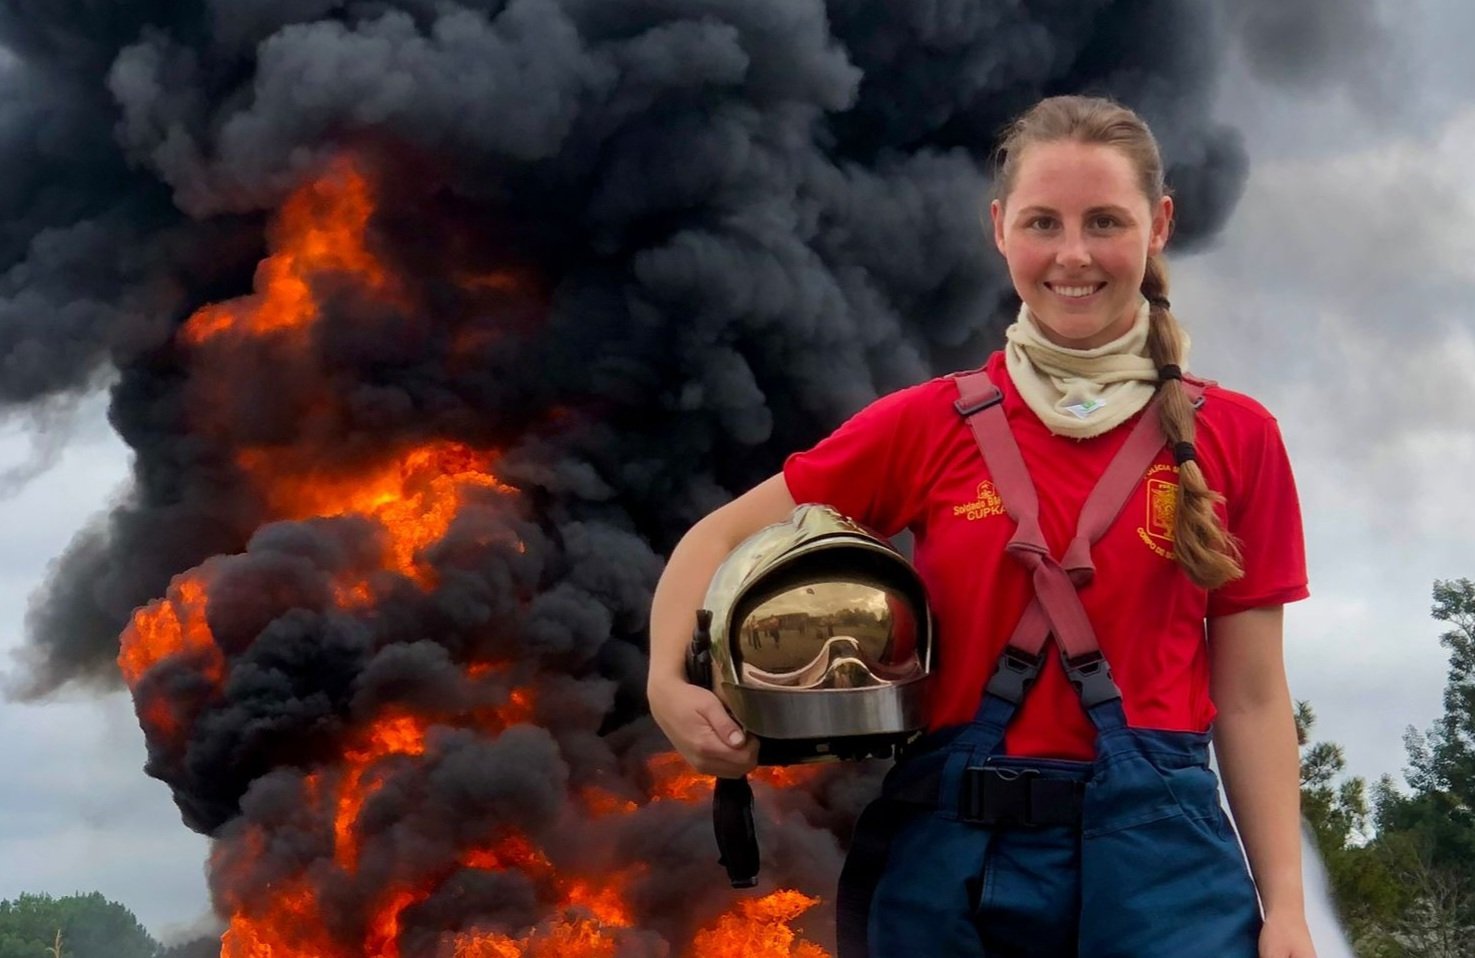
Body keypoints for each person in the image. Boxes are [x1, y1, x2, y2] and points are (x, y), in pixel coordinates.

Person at [647, 95, 1317, 958]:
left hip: (1163, 874)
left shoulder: (1237, 436)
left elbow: (1254, 696)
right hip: (952, 864)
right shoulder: (926, 424)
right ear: (1000, 228)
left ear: (1158, 226)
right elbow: (714, 540)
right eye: (1044, 222)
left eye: (1103, 222)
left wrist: (1287, 911)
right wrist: (671, 685)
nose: (1072, 255)